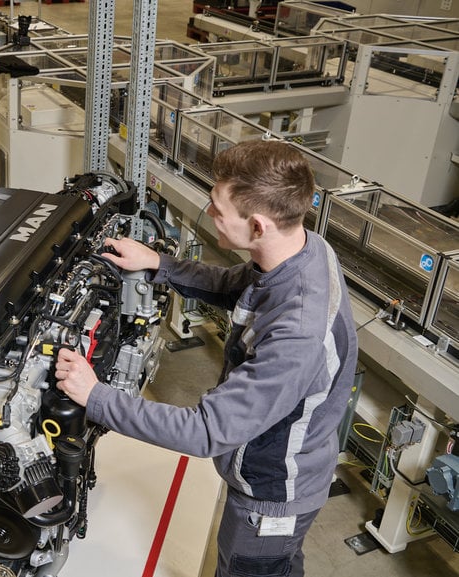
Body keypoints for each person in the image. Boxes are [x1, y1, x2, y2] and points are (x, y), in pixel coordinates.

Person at [55, 139, 358, 577]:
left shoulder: (298, 332)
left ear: (257, 226)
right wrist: (158, 263)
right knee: (282, 567)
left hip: (269, 495)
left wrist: (95, 396)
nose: (208, 211)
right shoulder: (303, 248)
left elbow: (205, 432)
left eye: (218, 207)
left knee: (247, 567)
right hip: (285, 466)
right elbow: (235, 283)